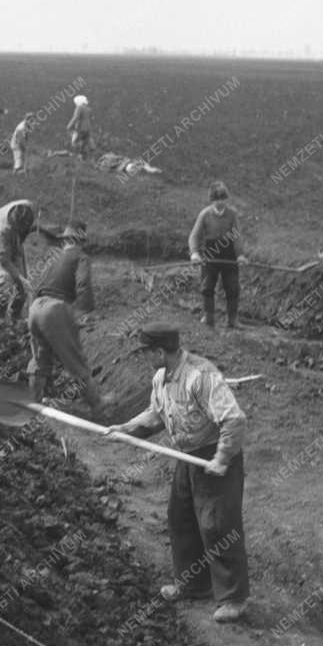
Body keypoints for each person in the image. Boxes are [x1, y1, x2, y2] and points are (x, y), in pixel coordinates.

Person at [105, 323, 250, 623]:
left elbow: (234, 420)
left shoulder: (201, 376)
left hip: (215, 455)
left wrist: (222, 458)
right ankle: (194, 584)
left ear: (160, 351)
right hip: (187, 455)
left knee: (217, 525)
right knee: (181, 517)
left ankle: (234, 598)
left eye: (147, 352)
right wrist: (126, 428)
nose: (145, 358)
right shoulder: (161, 377)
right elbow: (157, 414)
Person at [26, 221, 108, 413]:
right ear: (81, 241)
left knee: (40, 357)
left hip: (36, 307)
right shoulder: (81, 257)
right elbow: (83, 284)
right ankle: (97, 404)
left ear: (66, 240)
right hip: (55, 309)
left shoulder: (53, 258)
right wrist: (84, 310)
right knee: (74, 360)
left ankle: (33, 403)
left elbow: (34, 286)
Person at [188, 180, 248, 329]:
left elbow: (237, 236)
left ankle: (232, 320)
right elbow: (194, 236)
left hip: (229, 255)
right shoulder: (205, 215)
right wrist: (194, 253)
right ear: (212, 200)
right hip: (210, 254)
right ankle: (209, 318)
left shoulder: (232, 214)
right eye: (217, 199)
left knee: (232, 287)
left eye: (222, 199)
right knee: (207, 287)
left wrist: (240, 255)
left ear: (226, 199)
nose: (220, 202)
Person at [0, 199, 50, 321]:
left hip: (13, 241)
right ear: (15, 226)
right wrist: (20, 278)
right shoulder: (4, 229)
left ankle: (15, 317)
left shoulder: (28, 207)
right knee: (5, 277)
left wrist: (51, 234)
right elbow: (4, 260)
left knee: (23, 285)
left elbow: (35, 223)